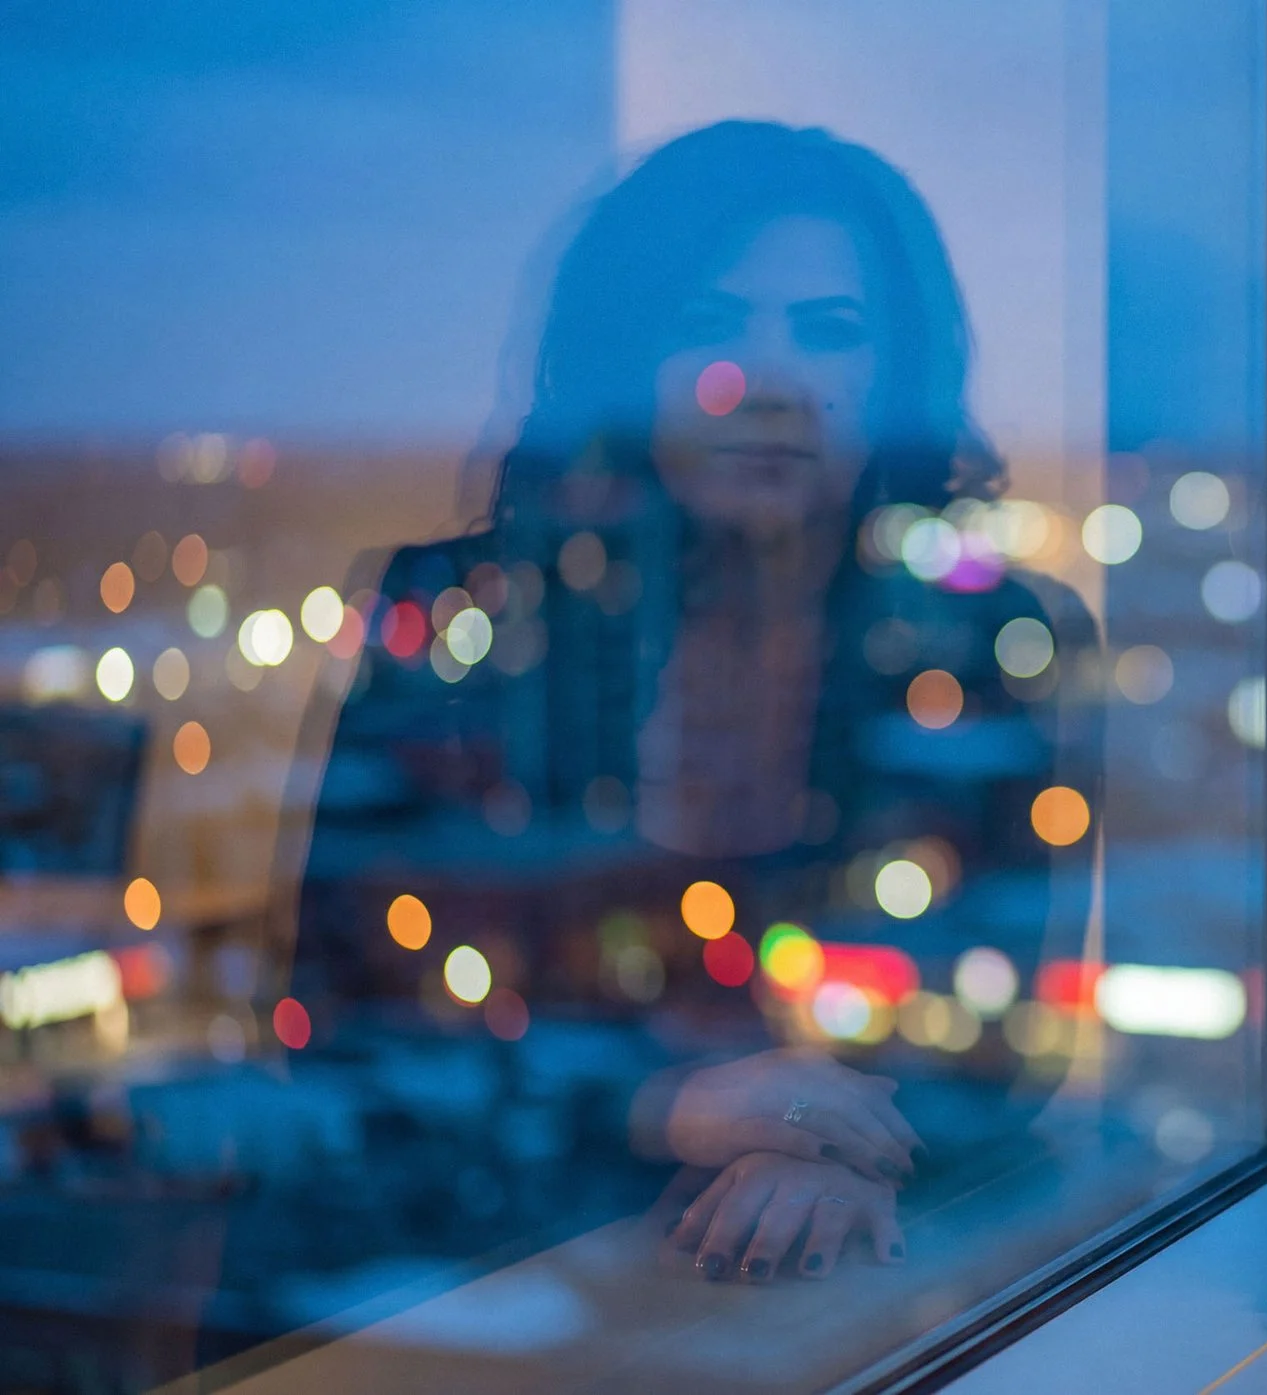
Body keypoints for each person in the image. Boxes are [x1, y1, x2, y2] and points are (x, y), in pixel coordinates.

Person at [274, 119, 1099, 1318]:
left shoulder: (992, 641)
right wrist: (674, 1111)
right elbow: (338, 1018)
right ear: (623, 355)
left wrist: (814, 1154)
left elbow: (998, 1048)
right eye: (709, 323)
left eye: (830, 331)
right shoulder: (455, 620)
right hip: (456, 1288)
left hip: (835, 1304)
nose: (767, 380)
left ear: (897, 374)